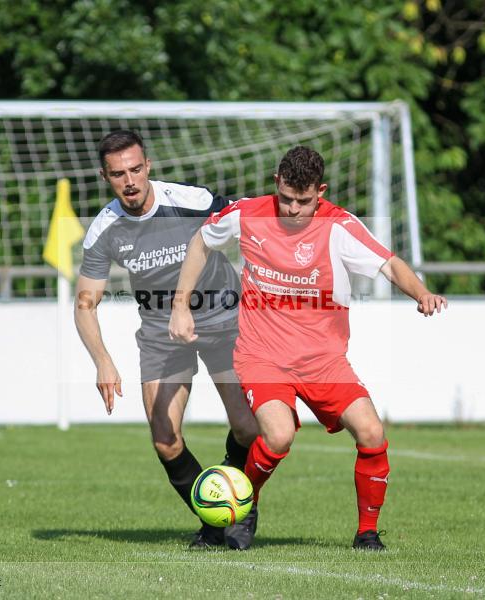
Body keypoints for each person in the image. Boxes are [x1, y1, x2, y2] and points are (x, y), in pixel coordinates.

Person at [169, 146, 447, 551]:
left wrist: (421, 292)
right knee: (278, 435)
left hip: (324, 360)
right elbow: (200, 241)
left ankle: (367, 533)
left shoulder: (340, 227)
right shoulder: (247, 214)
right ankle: (245, 508)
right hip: (261, 355)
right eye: (286, 198)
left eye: (304, 200)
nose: (294, 209)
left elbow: (390, 264)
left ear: (321, 191)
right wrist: (181, 305)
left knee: (371, 431)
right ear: (276, 184)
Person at [75, 130, 259, 550]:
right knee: (164, 438)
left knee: (248, 427)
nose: (130, 181)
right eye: (118, 174)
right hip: (161, 334)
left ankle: (239, 502)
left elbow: (249, 223)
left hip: (222, 320)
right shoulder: (105, 229)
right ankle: (216, 523)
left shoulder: (191, 201)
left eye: (136, 169)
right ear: (106, 177)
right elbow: (85, 304)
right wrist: (102, 359)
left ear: (148, 166)